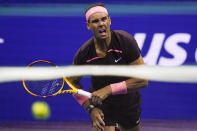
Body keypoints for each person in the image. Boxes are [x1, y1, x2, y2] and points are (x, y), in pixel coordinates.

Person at [68, 3, 148, 131]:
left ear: (109, 21)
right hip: (102, 105)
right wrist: (90, 108)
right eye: (95, 21)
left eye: (103, 19)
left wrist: (108, 89)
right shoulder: (84, 53)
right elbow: (71, 82)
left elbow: (143, 80)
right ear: (88, 26)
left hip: (129, 102)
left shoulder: (125, 41)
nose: (100, 24)